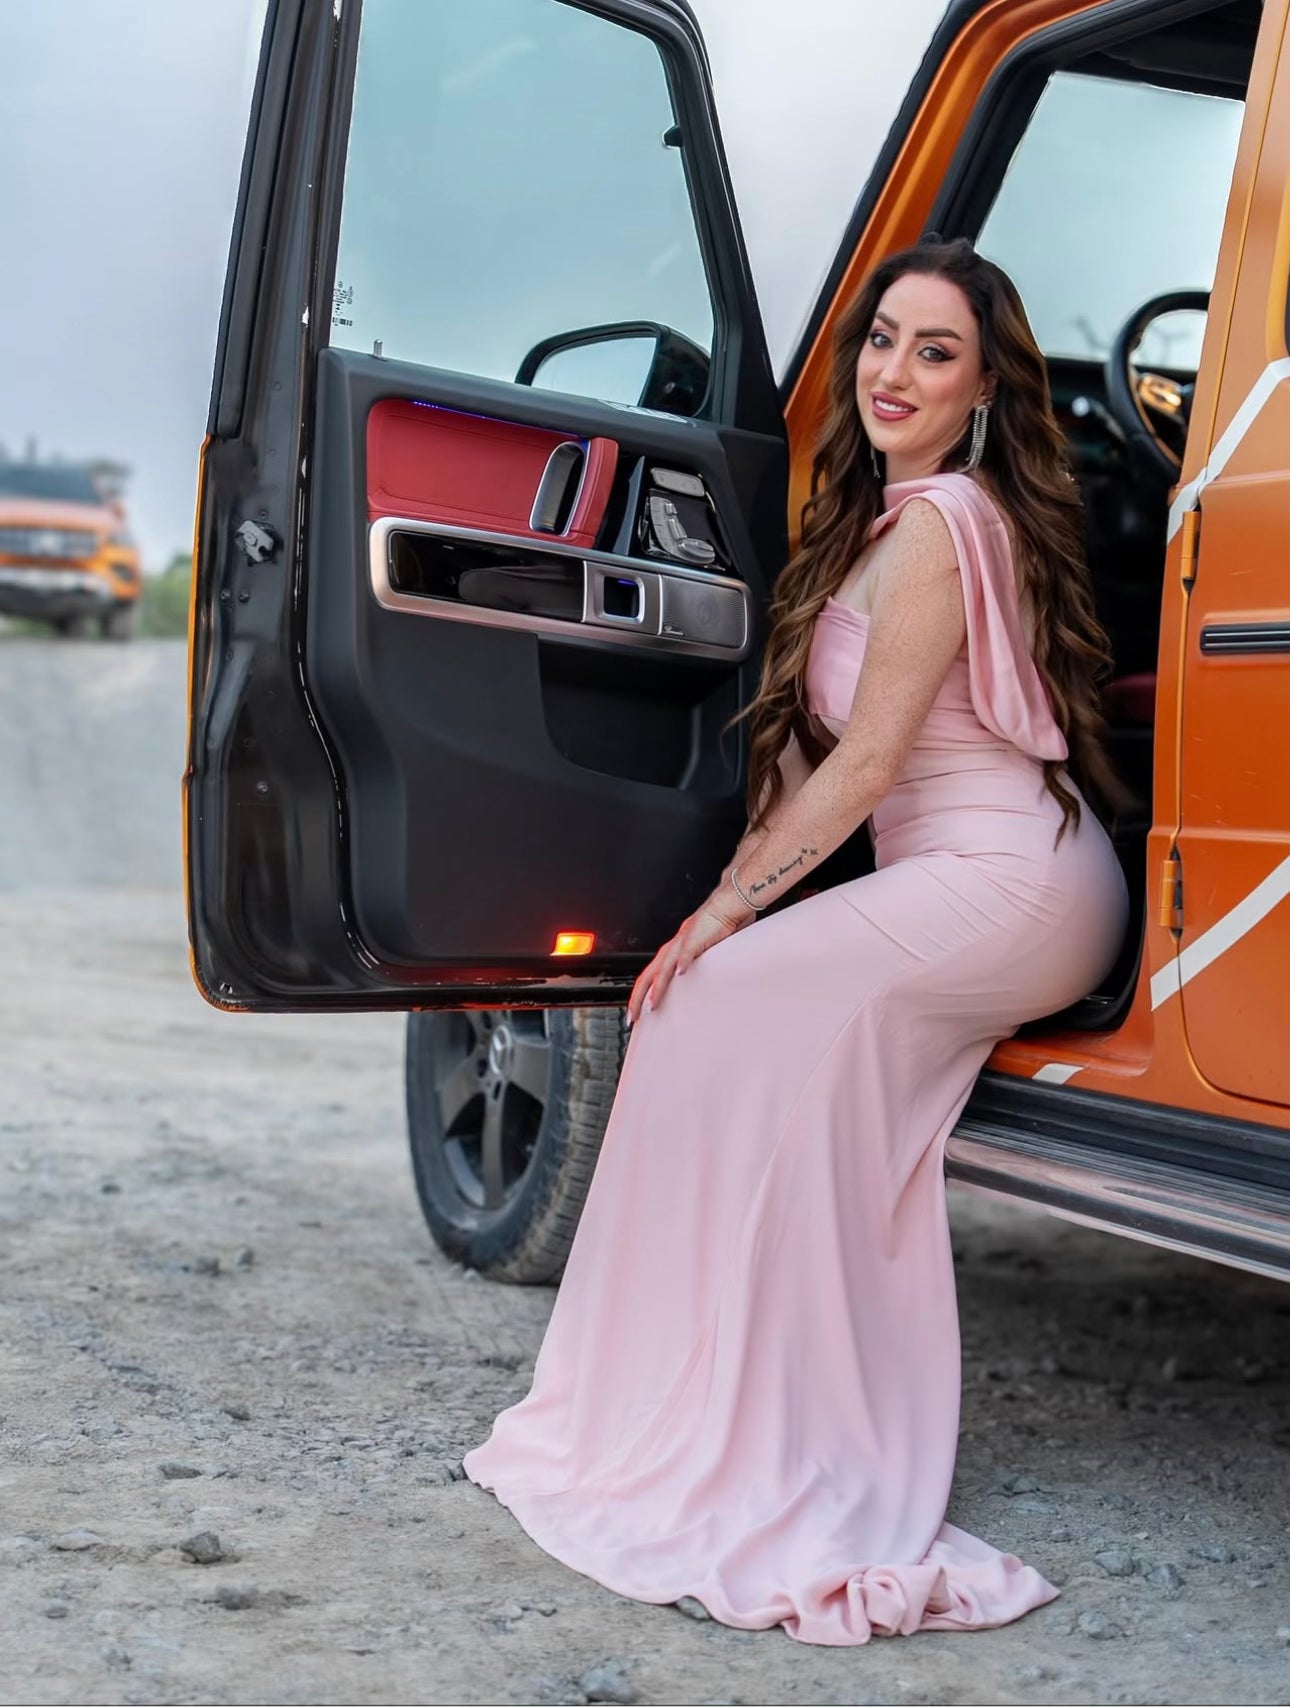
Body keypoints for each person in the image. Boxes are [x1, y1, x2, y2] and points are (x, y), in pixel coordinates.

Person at [462, 237, 1130, 1645]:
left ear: (984, 391)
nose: (896, 372)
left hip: (1013, 879)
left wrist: (720, 914)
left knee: (707, 1004)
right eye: (882, 339)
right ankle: (689, 1388)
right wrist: (726, 898)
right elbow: (817, 764)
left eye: (935, 353)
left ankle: (743, 1418)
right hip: (973, 874)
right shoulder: (886, 525)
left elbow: (870, 765)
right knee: (722, 1023)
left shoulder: (943, 525)